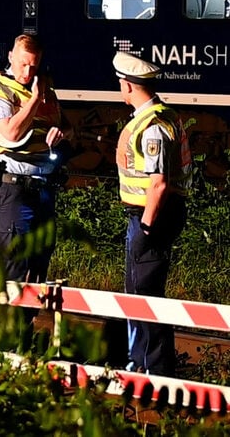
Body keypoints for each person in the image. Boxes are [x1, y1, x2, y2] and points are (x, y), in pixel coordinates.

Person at [113, 51, 192, 376]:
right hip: (155, 216)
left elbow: (157, 184)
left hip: (151, 218)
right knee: (142, 293)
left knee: (143, 297)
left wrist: (145, 228)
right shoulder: (163, 116)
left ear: (128, 85)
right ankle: (146, 365)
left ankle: (151, 371)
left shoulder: (152, 126)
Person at [0, 33, 66, 285]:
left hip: (43, 189)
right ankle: (9, 322)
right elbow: (11, 133)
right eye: (23, 63)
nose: (28, 71)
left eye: (34, 65)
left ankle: (26, 323)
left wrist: (59, 134)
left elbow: (67, 127)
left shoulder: (47, 89)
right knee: (13, 267)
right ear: (10, 57)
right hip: (13, 189)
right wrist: (35, 99)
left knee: (38, 263)